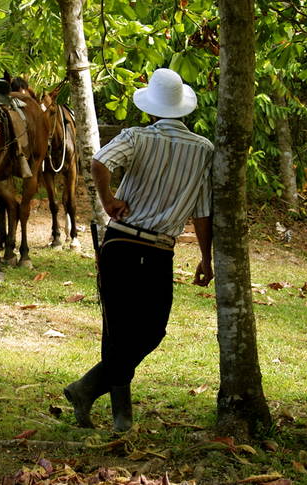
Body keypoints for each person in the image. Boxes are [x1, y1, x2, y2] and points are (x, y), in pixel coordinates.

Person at [64, 68, 214, 431]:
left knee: (120, 330)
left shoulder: (136, 137)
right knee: (149, 330)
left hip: (122, 243)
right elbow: (203, 211)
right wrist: (207, 257)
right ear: (183, 109)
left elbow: (99, 162)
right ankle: (121, 417)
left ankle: (86, 388)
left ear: (150, 109)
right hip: (159, 249)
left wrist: (108, 200)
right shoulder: (204, 150)